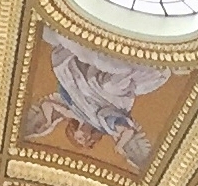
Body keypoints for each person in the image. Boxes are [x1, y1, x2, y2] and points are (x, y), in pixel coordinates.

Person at [22, 27, 172, 166]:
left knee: (70, 61)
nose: (84, 137)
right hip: (111, 96)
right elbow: (128, 130)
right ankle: (138, 59)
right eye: (86, 140)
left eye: (79, 138)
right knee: (110, 84)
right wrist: (120, 146)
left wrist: (49, 121)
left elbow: (48, 105)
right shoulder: (103, 125)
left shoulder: (75, 114)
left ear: (73, 131)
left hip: (86, 84)